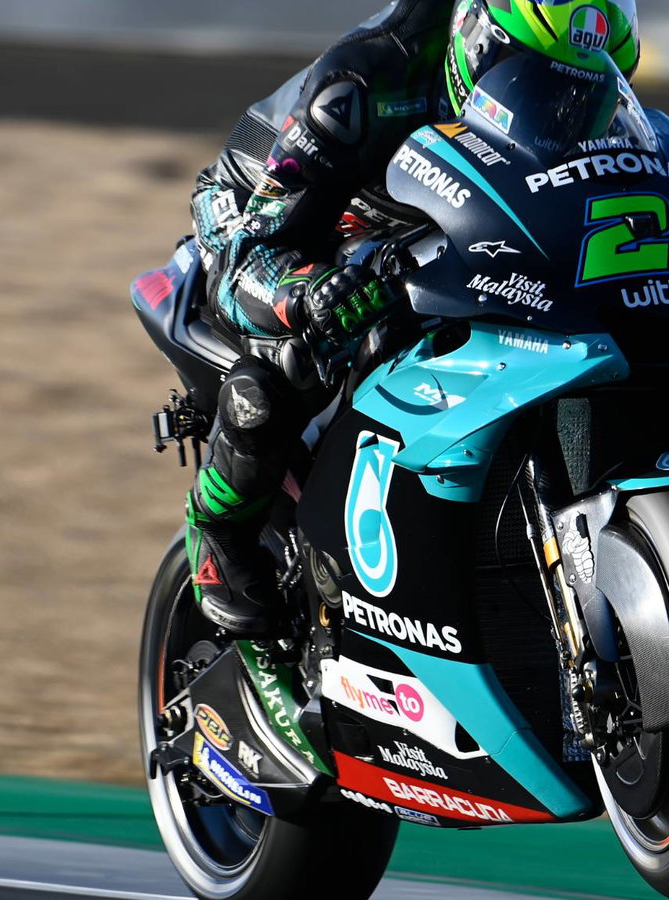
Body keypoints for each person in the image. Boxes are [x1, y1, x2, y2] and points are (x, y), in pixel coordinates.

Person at [184, 0, 642, 635]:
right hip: (276, 215)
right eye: (531, 82)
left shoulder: (590, 105)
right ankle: (218, 529)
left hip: (435, 220)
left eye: (583, 95)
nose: (562, 112)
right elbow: (251, 254)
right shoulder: (365, 81)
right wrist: (308, 293)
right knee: (302, 349)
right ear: (473, 41)